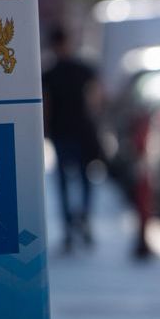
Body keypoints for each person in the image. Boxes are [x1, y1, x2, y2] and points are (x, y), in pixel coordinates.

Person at [42, 26, 104, 252]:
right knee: (84, 180)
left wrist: (46, 130)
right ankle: (83, 220)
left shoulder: (50, 73)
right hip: (81, 131)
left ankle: (71, 227)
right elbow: (95, 99)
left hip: (63, 132)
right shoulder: (83, 69)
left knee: (65, 182)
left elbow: (46, 105)